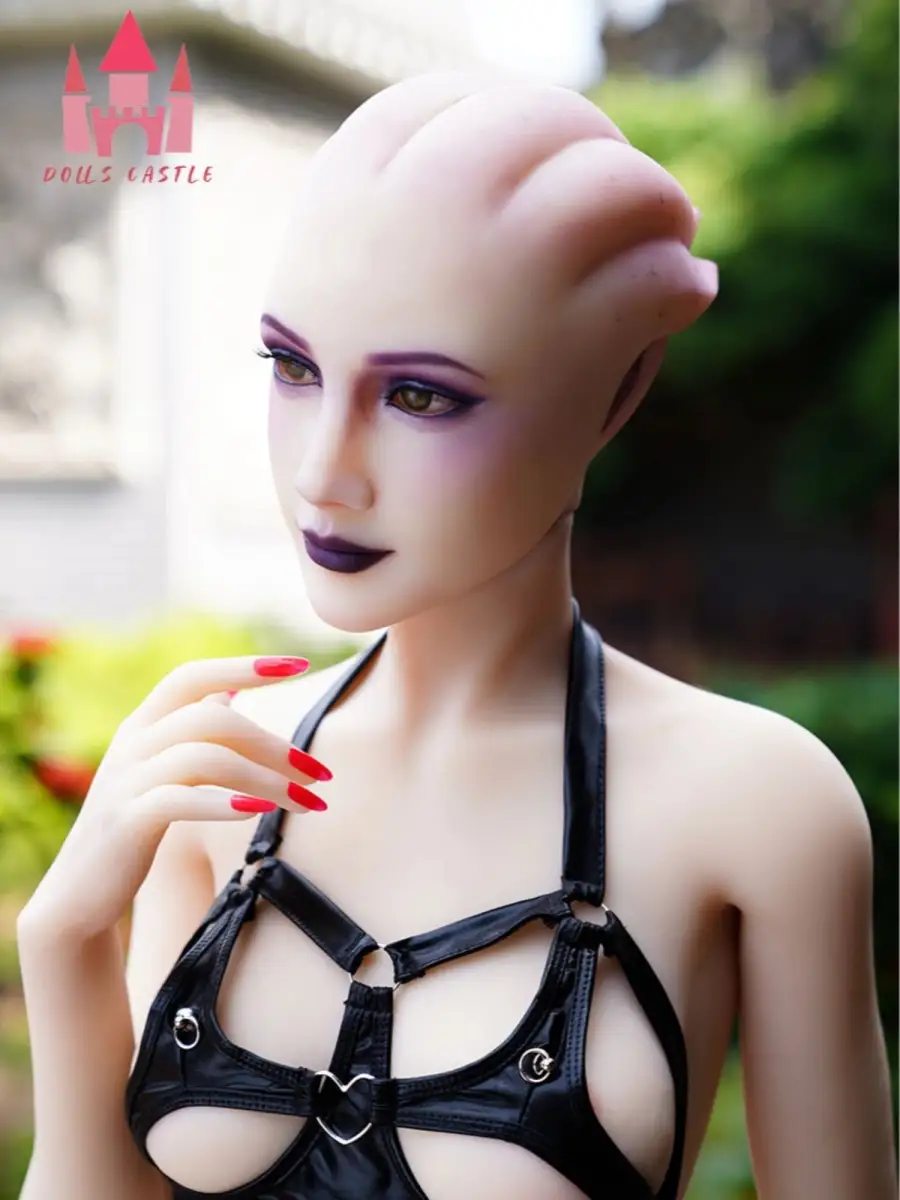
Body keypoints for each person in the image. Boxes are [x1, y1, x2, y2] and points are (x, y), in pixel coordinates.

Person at [15, 72, 896, 1200]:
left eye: (421, 397)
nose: (323, 473)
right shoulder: (220, 767)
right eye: (294, 367)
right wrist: (63, 945)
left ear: (615, 398)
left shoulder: (758, 802)